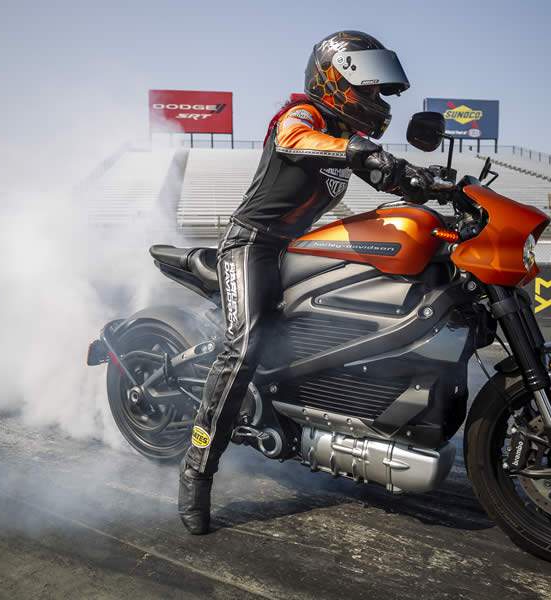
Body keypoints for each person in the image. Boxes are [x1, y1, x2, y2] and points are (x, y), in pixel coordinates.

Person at [178, 30, 453, 534]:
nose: (376, 100)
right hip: (252, 244)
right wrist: (364, 152)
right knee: (244, 347)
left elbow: (387, 175)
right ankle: (197, 470)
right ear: (336, 79)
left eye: (379, 92)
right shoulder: (302, 116)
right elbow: (296, 139)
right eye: (369, 89)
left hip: (296, 250)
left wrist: (432, 181)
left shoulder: (347, 138)